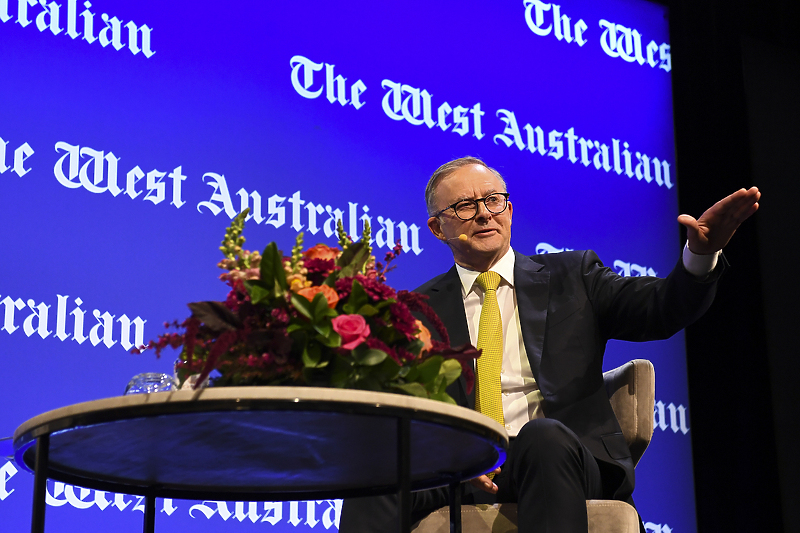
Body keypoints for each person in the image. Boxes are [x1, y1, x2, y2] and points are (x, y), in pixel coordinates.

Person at [339, 156, 760, 533]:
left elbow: (661, 309)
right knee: (375, 474)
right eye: (465, 206)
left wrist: (700, 255)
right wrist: (448, 454)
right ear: (437, 228)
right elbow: (398, 413)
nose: (485, 214)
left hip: (560, 458)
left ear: (509, 207)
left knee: (542, 437)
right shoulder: (416, 311)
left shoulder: (572, 276)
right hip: (460, 470)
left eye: (495, 200)